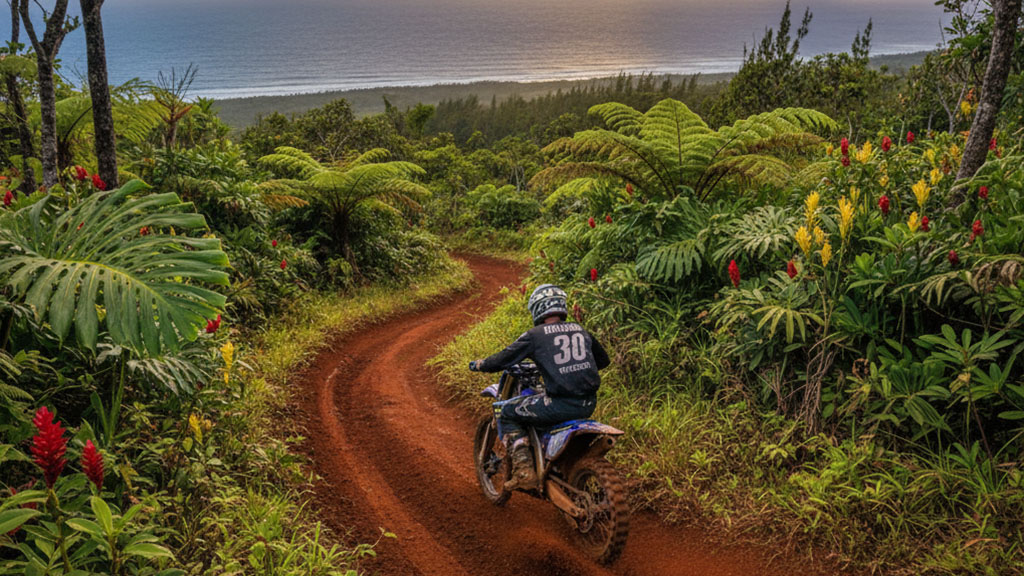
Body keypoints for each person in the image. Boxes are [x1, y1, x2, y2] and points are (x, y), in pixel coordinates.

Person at [469, 284, 610, 490]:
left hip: (558, 404)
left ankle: (524, 471)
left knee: (505, 411)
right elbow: (603, 361)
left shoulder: (535, 335)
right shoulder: (581, 330)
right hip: (588, 403)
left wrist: (481, 364)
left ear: (536, 308)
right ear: (562, 306)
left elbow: (502, 359)